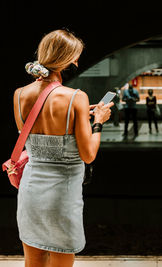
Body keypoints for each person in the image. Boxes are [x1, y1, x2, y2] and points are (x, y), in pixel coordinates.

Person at [13, 29, 113, 267]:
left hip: (30, 191)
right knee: (61, 258)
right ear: (71, 59)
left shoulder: (19, 95)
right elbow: (88, 154)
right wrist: (98, 121)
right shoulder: (76, 97)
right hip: (62, 195)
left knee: (33, 260)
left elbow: (38, 128)